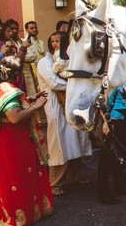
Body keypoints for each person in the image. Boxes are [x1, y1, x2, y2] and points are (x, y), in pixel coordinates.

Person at [0, 56, 53, 226]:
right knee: (19, 177)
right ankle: (22, 218)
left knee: (9, 178)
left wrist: (30, 98)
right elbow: (14, 116)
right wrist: (37, 106)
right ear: (18, 74)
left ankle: (15, 214)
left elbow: (5, 110)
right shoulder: (9, 90)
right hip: (13, 143)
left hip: (2, 143)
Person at [37, 32, 92, 196]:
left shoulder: (68, 59)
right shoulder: (44, 62)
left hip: (71, 103)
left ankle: (73, 177)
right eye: (53, 41)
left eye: (59, 42)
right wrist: (75, 84)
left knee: (76, 140)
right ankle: (55, 182)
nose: (56, 44)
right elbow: (54, 83)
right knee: (60, 144)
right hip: (55, 106)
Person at [97, 82, 126, 205]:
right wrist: (106, 121)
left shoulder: (121, 77)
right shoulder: (107, 77)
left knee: (118, 154)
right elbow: (100, 101)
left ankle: (120, 185)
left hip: (122, 118)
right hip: (112, 120)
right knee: (106, 156)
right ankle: (102, 193)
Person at [22, 21, 45, 97]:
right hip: (33, 71)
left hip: (42, 69)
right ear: (26, 30)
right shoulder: (25, 42)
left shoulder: (40, 42)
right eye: (31, 28)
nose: (34, 29)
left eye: (35, 27)